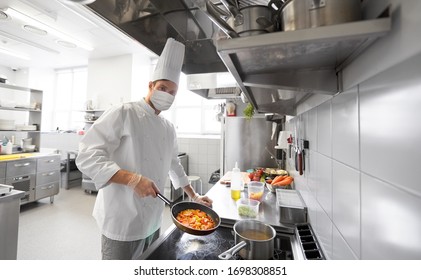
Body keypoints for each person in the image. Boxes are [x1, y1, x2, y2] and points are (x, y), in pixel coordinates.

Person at [76, 38, 213, 260]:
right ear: (150, 86)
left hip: (153, 218)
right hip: (122, 219)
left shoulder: (168, 127)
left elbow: (173, 164)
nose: (166, 94)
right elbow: (87, 155)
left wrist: (193, 195)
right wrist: (132, 179)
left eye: (172, 92)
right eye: (162, 88)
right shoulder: (123, 112)